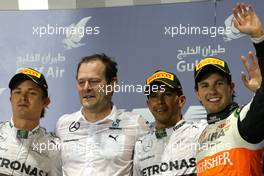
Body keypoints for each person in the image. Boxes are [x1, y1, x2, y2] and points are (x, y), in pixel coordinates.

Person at [194, 2, 264, 175]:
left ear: (231, 87)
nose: (212, 91)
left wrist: (259, 38)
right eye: (205, 85)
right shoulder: (201, 137)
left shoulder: (243, 119)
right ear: (197, 94)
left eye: (219, 83)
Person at [56, 54, 149, 176]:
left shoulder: (135, 123)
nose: (86, 88)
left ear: (112, 84)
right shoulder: (63, 124)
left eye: (94, 81)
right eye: (81, 82)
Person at [133, 70, 207, 176]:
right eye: (154, 95)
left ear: (181, 101)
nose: (160, 101)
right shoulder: (140, 146)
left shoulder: (201, 133)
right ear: (149, 105)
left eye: (167, 94)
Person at [0, 67, 62, 176]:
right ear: (10, 99)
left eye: (32, 93)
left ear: (46, 102)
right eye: (17, 92)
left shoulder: (55, 148)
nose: (23, 97)